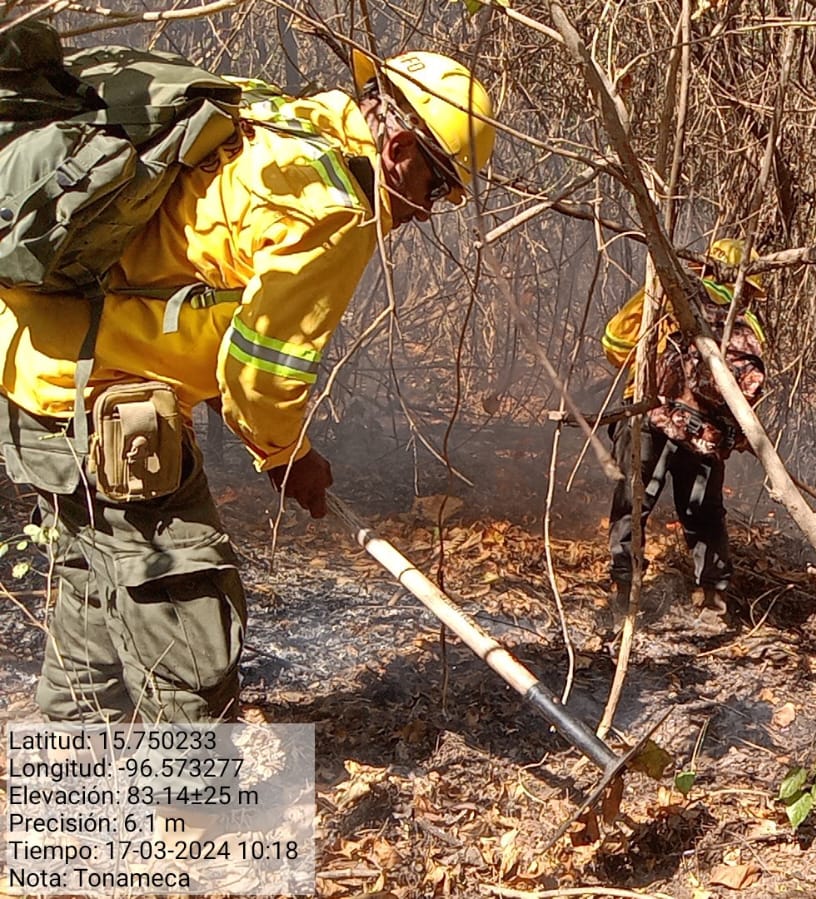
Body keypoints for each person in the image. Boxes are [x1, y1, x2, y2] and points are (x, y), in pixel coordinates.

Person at [0, 46, 495, 725]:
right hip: (96, 400)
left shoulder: (275, 114)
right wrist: (287, 456)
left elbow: (188, 268)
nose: (429, 211)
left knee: (101, 588)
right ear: (402, 145)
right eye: (436, 185)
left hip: (33, 369)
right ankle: (193, 819)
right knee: (186, 605)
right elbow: (261, 378)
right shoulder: (331, 209)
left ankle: (83, 789)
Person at [601, 238, 767, 628]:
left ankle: (624, 598)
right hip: (707, 434)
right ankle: (713, 603)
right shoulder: (749, 324)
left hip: (649, 414)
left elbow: (615, 343)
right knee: (704, 514)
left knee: (633, 501)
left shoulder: (666, 298)